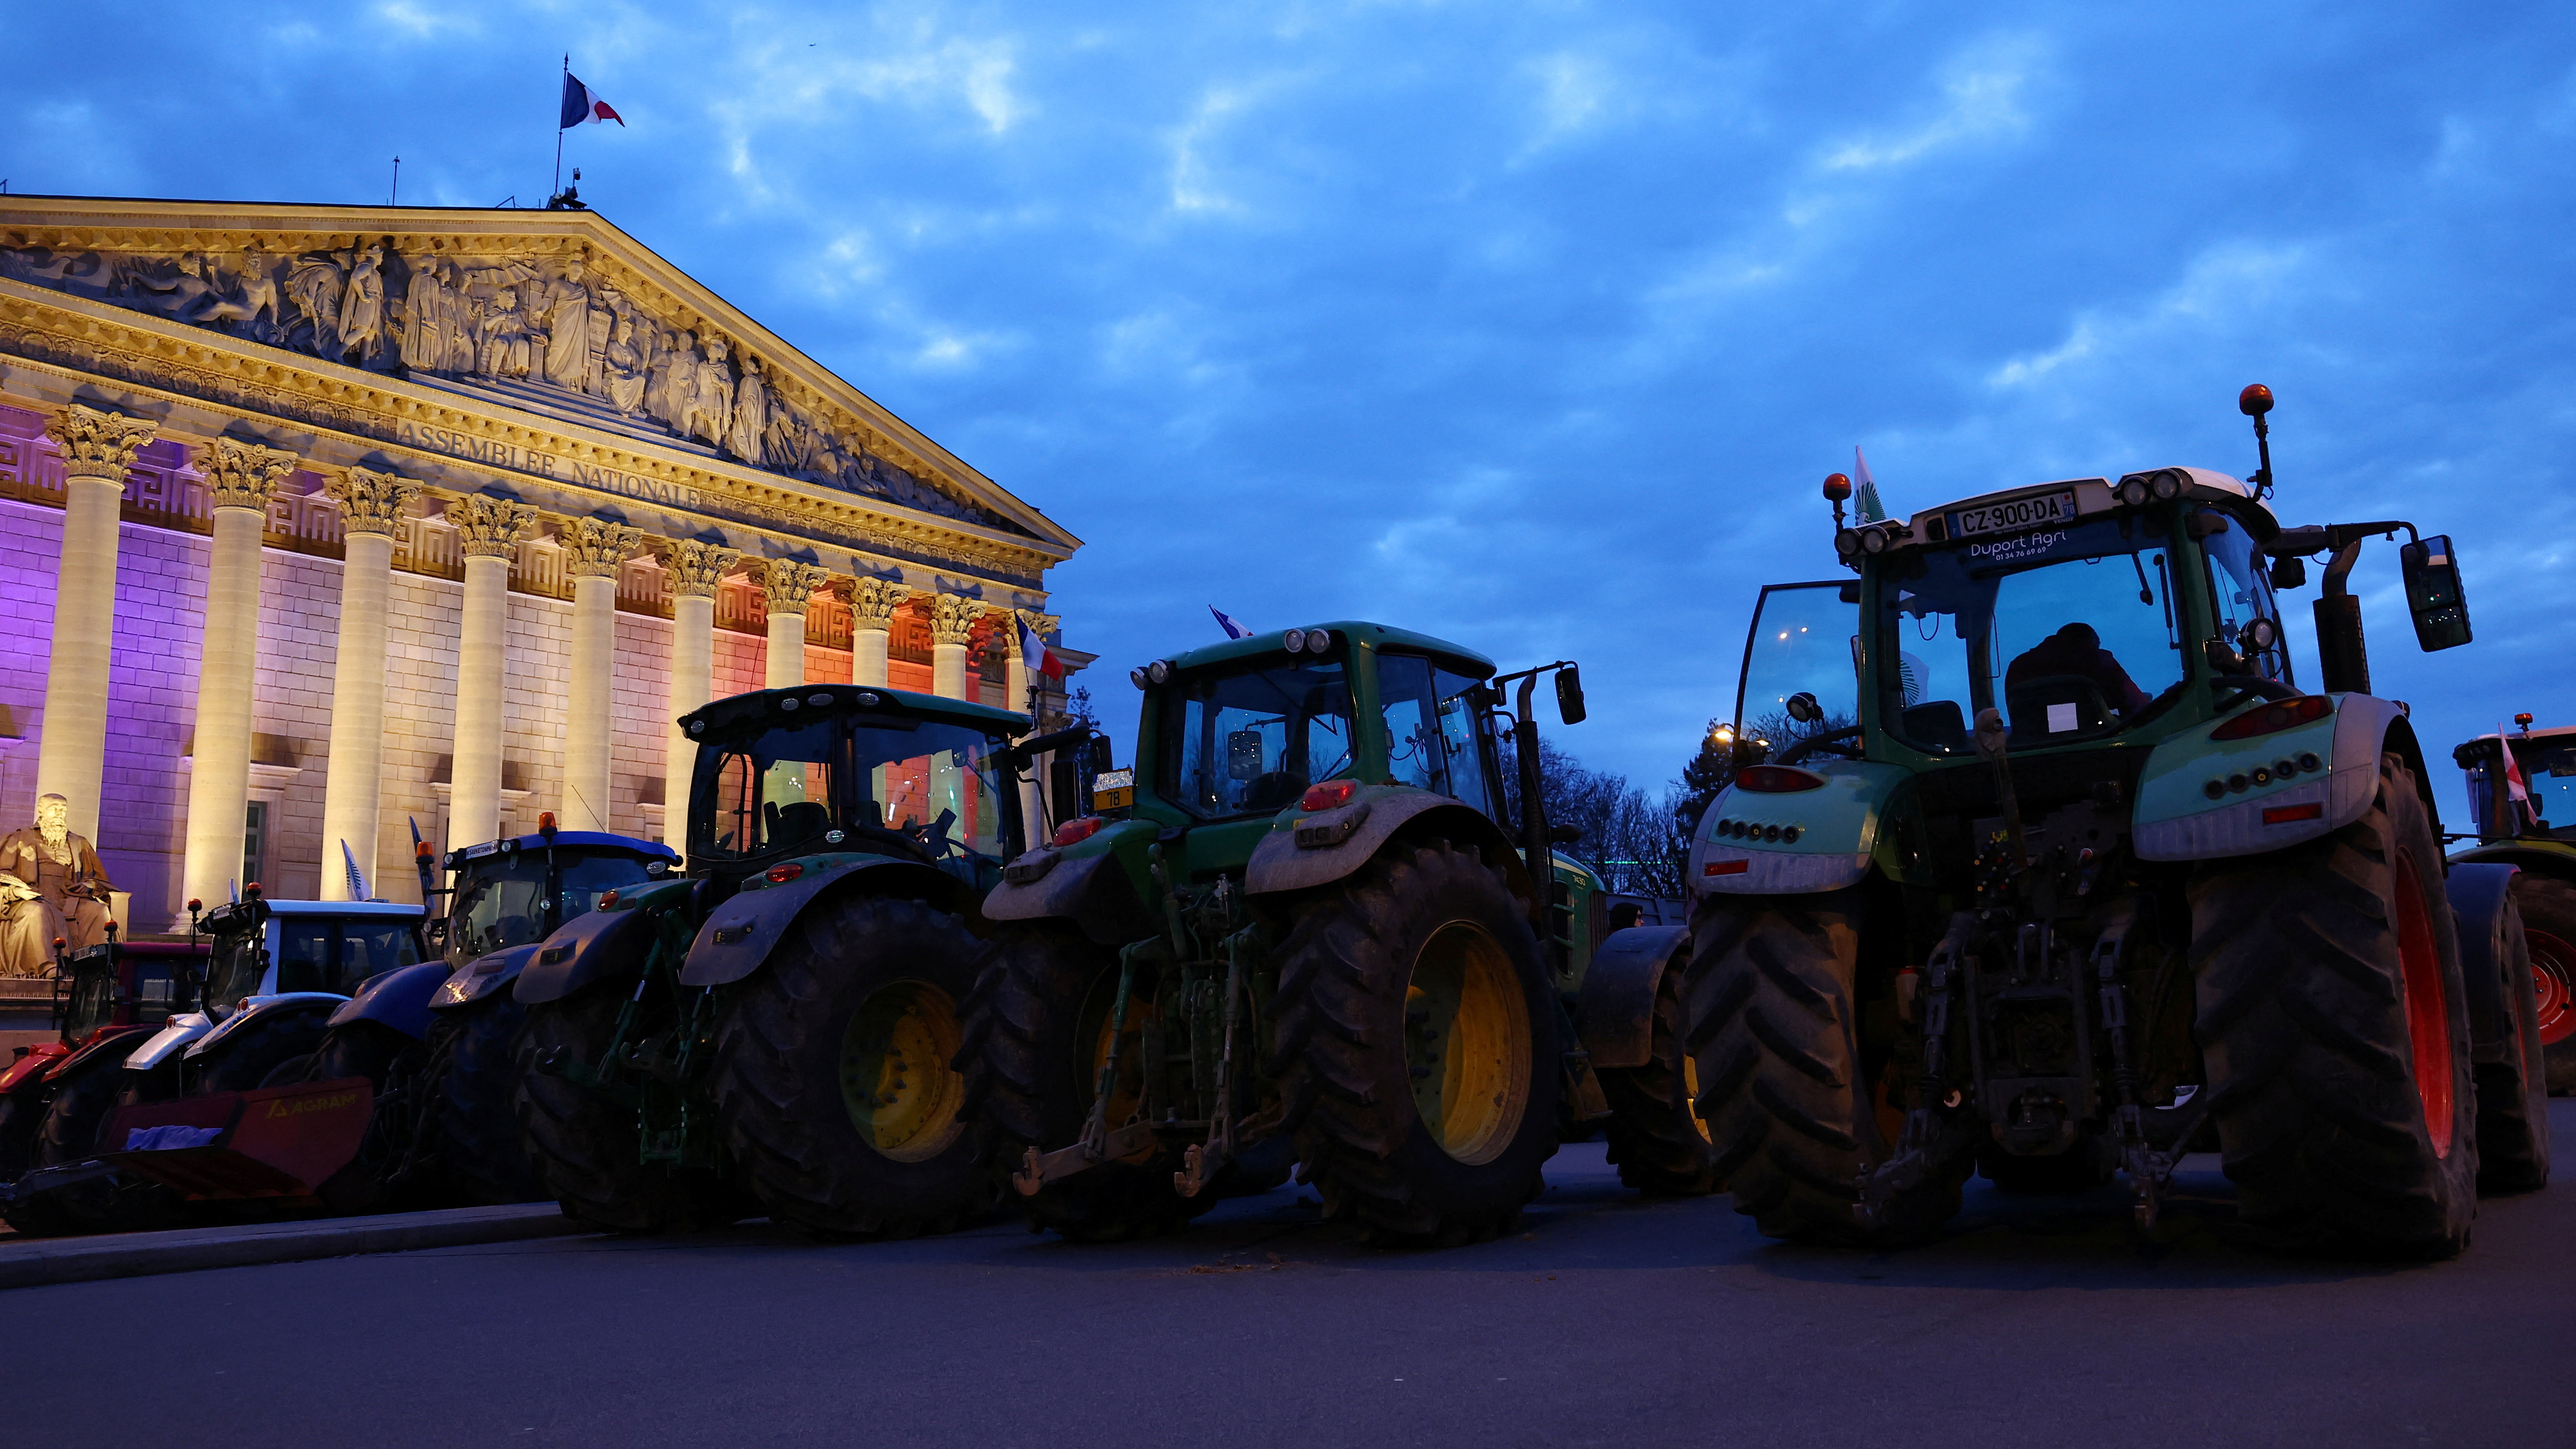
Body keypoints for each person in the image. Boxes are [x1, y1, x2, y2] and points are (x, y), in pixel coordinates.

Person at [0, 793, 116, 975]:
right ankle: (48, 967)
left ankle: (97, 967)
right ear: (40, 811)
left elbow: (98, 879)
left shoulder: (79, 843)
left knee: (97, 911)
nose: (59, 813)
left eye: (63, 810)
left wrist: (89, 886)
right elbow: (3, 875)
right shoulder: (19, 839)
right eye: (54, 808)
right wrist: (17, 891)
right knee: (37, 912)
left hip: (69, 899)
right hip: (32, 898)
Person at [2005, 622, 2150, 719]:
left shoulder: (2018, 665)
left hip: (2032, 738)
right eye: (2097, 645)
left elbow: (2014, 711)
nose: (2097, 649)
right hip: (2093, 734)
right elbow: (2133, 701)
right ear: (2090, 641)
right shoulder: (2099, 659)